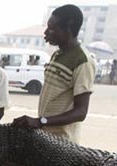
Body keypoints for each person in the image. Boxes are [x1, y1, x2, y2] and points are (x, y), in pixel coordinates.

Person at [12, 4, 96, 144]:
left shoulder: (83, 61)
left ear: (68, 27)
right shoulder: (57, 54)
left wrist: (41, 121)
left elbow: (81, 112)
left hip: (63, 142)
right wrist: (40, 123)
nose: (46, 33)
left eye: (51, 28)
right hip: (46, 136)